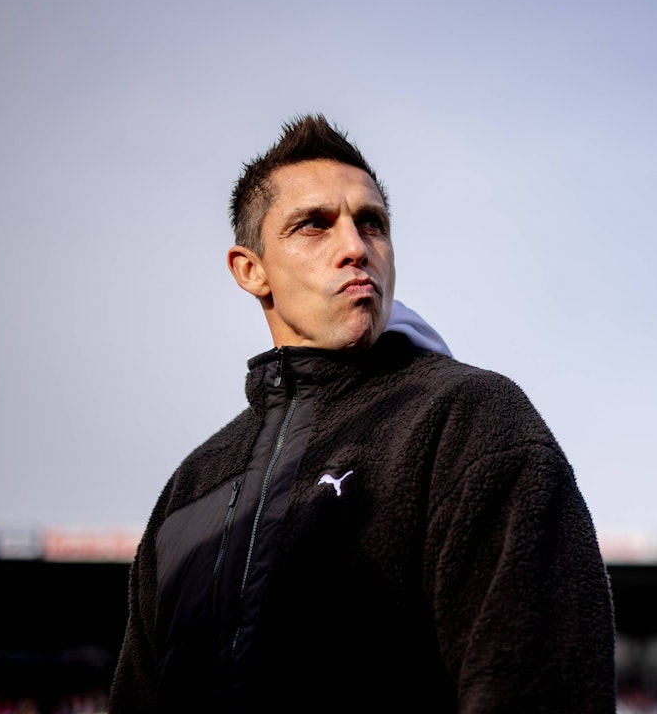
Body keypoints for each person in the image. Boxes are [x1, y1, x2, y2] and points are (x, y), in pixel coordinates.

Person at [109, 114, 617, 712]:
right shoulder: (191, 489)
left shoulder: (468, 420)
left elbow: (540, 690)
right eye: (313, 226)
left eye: (371, 224)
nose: (355, 248)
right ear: (251, 270)